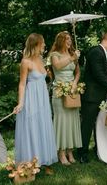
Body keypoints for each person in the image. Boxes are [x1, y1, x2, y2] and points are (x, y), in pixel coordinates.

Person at [14, 33, 57, 175]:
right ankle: (30, 163)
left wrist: (49, 75)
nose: (44, 45)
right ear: (36, 44)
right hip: (31, 99)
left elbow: (41, 79)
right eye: (43, 42)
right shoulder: (25, 62)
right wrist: (20, 103)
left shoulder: (41, 59)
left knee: (42, 127)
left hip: (43, 99)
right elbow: (22, 84)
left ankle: (44, 161)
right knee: (32, 129)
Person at [78, 31, 107, 163]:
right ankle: (82, 153)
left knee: (96, 124)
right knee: (87, 125)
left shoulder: (102, 52)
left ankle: (97, 149)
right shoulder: (96, 52)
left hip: (98, 95)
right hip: (92, 95)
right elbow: (98, 74)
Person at [49, 31, 82, 165]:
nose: (69, 41)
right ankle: (61, 152)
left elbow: (78, 71)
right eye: (67, 39)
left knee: (72, 121)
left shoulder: (72, 54)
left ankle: (70, 151)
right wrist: (72, 58)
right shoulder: (54, 55)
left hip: (72, 92)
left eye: (70, 39)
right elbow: (57, 66)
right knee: (61, 122)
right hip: (59, 91)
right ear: (61, 41)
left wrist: (74, 83)